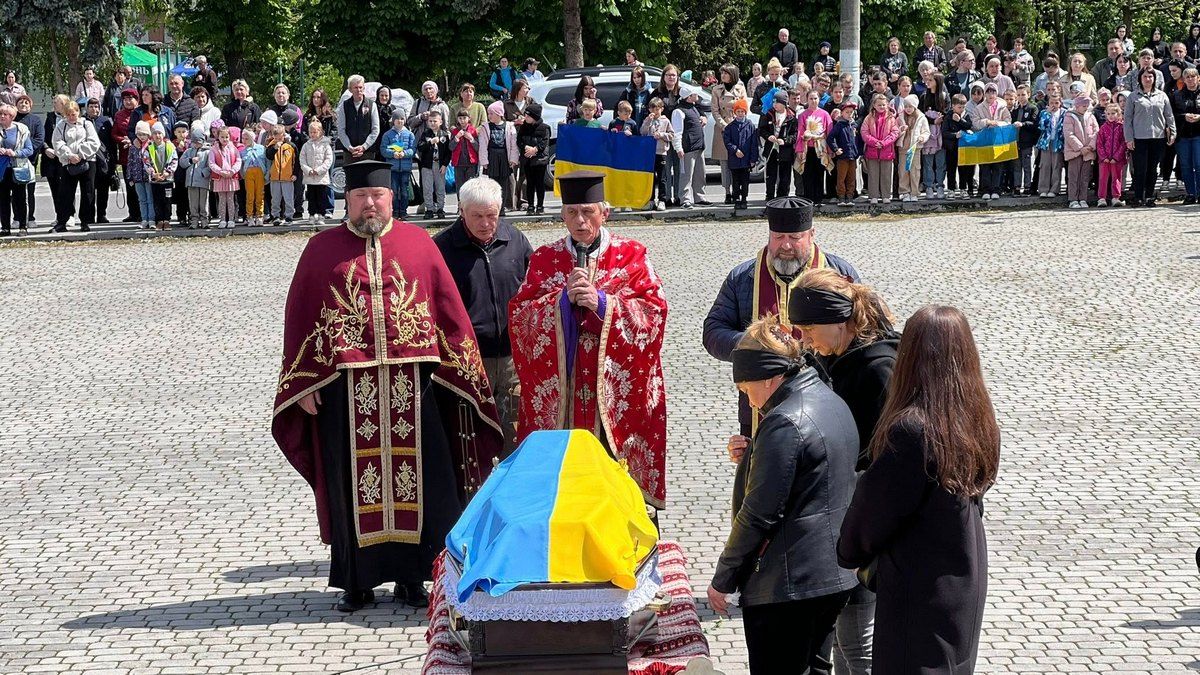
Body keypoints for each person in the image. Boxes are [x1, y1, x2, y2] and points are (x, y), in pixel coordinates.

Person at [273, 159, 503, 613]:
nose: (370, 205)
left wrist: (462, 377)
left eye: (377, 196)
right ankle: (355, 583)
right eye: (360, 198)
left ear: (391, 198)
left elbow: (449, 316)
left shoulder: (418, 244)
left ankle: (414, 579)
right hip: (344, 391)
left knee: (424, 484)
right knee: (349, 485)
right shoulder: (321, 250)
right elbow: (300, 321)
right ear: (348, 201)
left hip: (415, 390)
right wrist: (304, 384)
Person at [838, 305, 1000, 675]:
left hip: (919, 589)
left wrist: (848, 550)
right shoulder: (978, 417)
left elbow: (872, 511)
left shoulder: (912, 431)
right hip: (964, 575)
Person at [509, 170, 669, 512]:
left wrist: (602, 305)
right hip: (564, 398)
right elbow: (521, 317)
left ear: (604, 212)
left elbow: (654, 314)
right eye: (572, 213)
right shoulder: (544, 259)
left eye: (588, 212)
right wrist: (560, 304)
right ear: (562, 215)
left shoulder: (632, 255)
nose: (580, 222)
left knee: (615, 491)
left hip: (611, 399)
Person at [707, 315, 858, 674]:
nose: (750, 401)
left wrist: (723, 579)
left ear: (769, 377)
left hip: (788, 585)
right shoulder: (828, 397)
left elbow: (758, 514)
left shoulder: (784, 422)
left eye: (746, 389)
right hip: (831, 575)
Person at [786, 268, 899, 674]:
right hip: (841, 515)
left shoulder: (877, 369)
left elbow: (872, 457)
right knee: (847, 642)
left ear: (838, 319)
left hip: (863, 520)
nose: (804, 338)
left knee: (860, 645)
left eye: (807, 327)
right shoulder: (834, 358)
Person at [703, 196, 859, 438]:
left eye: (795, 238)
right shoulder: (743, 277)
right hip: (758, 403)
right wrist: (756, 345)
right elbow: (713, 332)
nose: (786, 246)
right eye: (778, 237)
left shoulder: (839, 275)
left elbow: (860, 330)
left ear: (811, 234)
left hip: (826, 396)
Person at [432, 176, 532, 451]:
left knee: (515, 432)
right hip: (469, 360)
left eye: (492, 215)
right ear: (461, 211)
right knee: (474, 438)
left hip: (512, 358)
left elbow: (534, 289)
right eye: (477, 216)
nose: (486, 224)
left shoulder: (515, 240)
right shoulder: (441, 249)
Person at [1124, 67, 1176, 207]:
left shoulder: (1162, 96)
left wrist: (1172, 132)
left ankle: (1149, 196)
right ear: (1140, 79)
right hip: (1139, 138)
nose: (1148, 79)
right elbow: (1127, 118)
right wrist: (1129, 138)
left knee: (1153, 169)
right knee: (1140, 168)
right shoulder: (1133, 96)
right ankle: (1138, 196)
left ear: (1155, 79)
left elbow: (1169, 115)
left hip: (1157, 137)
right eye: (1145, 76)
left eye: (1150, 77)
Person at [50, 100, 101, 233]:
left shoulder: (86, 124)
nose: (72, 117)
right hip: (68, 163)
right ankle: (62, 221)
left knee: (88, 192)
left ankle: (85, 221)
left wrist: (80, 154)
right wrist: (69, 155)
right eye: (69, 115)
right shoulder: (61, 125)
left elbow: (94, 142)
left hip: (87, 161)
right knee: (65, 193)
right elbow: (57, 142)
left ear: (78, 112)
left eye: (74, 114)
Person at [710, 65, 746, 205]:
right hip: (723, 129)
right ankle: (727, 192)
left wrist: (738, 123)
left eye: (726, 73)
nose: (723, 75)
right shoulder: (716, 90)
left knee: (737, 161)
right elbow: (715, 110)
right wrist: (724, 125)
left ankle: (738, 191)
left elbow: (743, 107)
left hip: (737, 127)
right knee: (724, 163)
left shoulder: (740, 88)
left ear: (733, 74)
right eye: (722, 73)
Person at [671, 85, 708, 208]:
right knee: (686, 175)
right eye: (695, 94)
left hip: (698, 146)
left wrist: (703, 119)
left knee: (700, 174)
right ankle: (685, 199)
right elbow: (677, 131)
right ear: (688, 97)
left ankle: (699, 197)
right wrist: (678, 147)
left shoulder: (694, 108)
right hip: (688, 147)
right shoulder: (679, 111)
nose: (697, 96)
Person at [0, 103, 34, 236]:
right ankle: (5, 227)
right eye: (1, 114)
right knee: (3, 200)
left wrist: (15, 153)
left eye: (5, 114)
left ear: (12, 116)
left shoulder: (22, 130)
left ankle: (22, 226)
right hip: (2, 170)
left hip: (17, 168)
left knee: (20, 198)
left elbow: (29, 150)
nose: (2, 116)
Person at [972, 83, 1010, 200]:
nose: (991, 94)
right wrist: (987, 122)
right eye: (988, 92)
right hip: (984, 141)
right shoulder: (978, 108)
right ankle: (985, 189)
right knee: (985, 166)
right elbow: (975, 123)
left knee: (998, 166)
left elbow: (1008, 120)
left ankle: (996, 189)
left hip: (998, 140)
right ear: (985, 93)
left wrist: (998, 123)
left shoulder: (1003, 106)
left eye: (993, 92)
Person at [481, 101, 518, 215]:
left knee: (504, 184)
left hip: (504, 156)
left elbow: (513, 144)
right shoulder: (486, 127)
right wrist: (484, 160)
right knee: (492, 184)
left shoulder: (509, 126)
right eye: (489, 113)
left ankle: (502, 208)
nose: (489, 116)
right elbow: (483, 144)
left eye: (492, 113)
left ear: (499, 114)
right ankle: (493, 208)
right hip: (492, 156)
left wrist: (513, 159)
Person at [861, 94, 899, 204]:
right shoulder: (868, 118)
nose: (881, 107)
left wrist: (883, 143)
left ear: (887, 105)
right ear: (874, 105)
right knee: (873, 174)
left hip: (886, 150)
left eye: (883, 105)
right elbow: (864, 132)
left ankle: (886, 195)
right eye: (879, 105)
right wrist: (874, 142)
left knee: (886, 174)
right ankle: (873, 195)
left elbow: (895, 132)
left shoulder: (891, 118)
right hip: (872, 150)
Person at [796, 90, 833, 203]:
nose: (813, 101)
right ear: (807, 100)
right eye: (811, 98)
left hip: (821, 148)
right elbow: (800, 132)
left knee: (819, 173)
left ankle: (819, 199)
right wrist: (799, 149)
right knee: (807, 174)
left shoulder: (825, 114)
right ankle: (809, 200)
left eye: (815, 98)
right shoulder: (803, 115)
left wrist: (830, 149)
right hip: (808, 148)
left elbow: (829, 132)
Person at [1063, 95, 1099, 208]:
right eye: (1084, 105)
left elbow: (1096, 132)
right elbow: (1069, 134)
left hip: (1088, 151)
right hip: (1075, 152)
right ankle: (1073, 199)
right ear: (1077, 105)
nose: (1086, 108)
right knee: (1074, 176)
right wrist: (1080, 148)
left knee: (1085, 177)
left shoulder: (1091, 116)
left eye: (1087, 106)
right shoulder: (1069, 116)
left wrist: (1090, 147)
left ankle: (1083, 198)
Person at [380, 110, 417, 219]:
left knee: (404, 191)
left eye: (402, 119)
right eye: (397, 119)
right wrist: (393, 154)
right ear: (393, 120)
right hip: (393, 168)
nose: (400, 121)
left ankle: (404, 211)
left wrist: (404, 153)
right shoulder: (387, 135)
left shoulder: (410, 134)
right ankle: (395, 211)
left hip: (405, 168)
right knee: (394, 191)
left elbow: (413, 149)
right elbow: (383, 149)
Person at [84, 98, 114, 224]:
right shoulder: (82, 121)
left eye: (96, 106)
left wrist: (113, 162)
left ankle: (102, 215)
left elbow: (112, 143)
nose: (94, 109)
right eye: (91, 106)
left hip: (104, 161)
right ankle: (89, 215)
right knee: (89, 189)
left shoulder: (106, 121)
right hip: (88, 159)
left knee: (103, 190)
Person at [724, 98, 758, 209]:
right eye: (738, 111)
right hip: (735, 159)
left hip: (746, 159)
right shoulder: (730, 127)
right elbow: (727, 142)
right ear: (735, 112)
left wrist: (753, 159)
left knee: (745, 181)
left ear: (745, 112)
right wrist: (735, 150)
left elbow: (754, 143)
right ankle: (736, 198)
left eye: (742, 111)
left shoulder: (750, 126)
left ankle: (744, 198)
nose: (740, 114)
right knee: (736, 180)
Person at [14, 95, 42, 227]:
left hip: (30, 160)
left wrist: (27, 152)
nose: (23, 104)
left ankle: (31, 217)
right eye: (21, 102)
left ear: (30, 106)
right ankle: (17, 218)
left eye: (26, 102)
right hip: (13, 160)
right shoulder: (11, 119)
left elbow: (39, 139)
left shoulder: (35, 120)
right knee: (15, 191)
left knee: (30, 191)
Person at [142, 121, 177, 230]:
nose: (158, 135)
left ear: (163, 134)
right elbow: (146, 162)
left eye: (160, 133)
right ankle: (159, 220)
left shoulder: (170, 146)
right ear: (152, 135)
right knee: (157, 201)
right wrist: (153, 173)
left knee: (167, 201)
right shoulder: (149, 148)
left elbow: (174, 160)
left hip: (168, 180)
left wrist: (168, 172)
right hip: (155, 180)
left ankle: (167, 220)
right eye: (155, 133)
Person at [1173, 67, 1200, 204]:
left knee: (1199, 164)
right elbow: (1172, 115)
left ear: (1198, 78)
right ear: (1183, 79)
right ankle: (1190, 193)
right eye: (1187, 77)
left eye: (1193, 76)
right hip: (1183, 135)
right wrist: (1184, 116)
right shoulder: (1177, 95)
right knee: (1186, 166)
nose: (1190, 79)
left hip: (1198, 134)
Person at [340, 75, 381, 164]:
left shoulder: (371, 105)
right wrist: (349, 147)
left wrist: (364, 146)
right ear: (350, 89)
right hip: (349, 153)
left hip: (368, 152)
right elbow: (341, 130)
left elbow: (375, 129)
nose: (358, 90)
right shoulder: (344, 106)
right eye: (355, 87)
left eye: (360, 87)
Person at [896, 94, 930, 201]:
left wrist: (922, 137)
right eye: (906, 106)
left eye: (910, 106)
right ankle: (904, 191)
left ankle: (914, 192)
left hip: (915, 148)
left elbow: (926, 131)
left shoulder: (921, 117)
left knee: (915, 170)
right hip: (903, 148)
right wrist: (901, 129)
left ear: (915, 107)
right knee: (903, 170)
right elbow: (895, 130)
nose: (908, 109)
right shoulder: (900, 117)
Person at [417, 109, 450, 220]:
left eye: (435, 121)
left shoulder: (444, 135)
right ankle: (429, 209)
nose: (432, 123)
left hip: (439, 165)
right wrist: (430, 142)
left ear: (440, 122)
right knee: (427, 188)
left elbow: (448, 152)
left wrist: (445, 165)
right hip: (427, 165)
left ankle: (440, 208)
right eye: (430, 121)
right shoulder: (425, 134)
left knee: (440, 188)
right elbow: (420, 147)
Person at [517, 103, 549, 214]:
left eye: (528, 116)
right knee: (530, 183)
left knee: (539, 183)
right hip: (527, 159)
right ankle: (530, 205)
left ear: (534, 117)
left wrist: (534, 150)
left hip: (540, 159)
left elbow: (544, 143)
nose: (525, 118)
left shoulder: (544, 128)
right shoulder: (523, 127)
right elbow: (519, 140)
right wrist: (526, 148)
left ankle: (540, 205)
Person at [178, 127, 211, 229]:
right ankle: (194, 220)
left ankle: (204, 220)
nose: (196, 144)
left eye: (198, 142)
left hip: (203, 182)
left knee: (203, 202)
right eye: (194, 142)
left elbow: (210, 166)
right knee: (193, 203)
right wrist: (191, 160)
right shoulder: (188, 151)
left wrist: (203, 173)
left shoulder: (207, 152)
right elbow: (182, 162)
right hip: (191, 182)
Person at [1096, 101, 1127, 207]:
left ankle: (1116, 197)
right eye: (1108, 114)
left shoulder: (1121, 127)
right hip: (1104, 159)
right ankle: (1102, 198)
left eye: (1113, 113)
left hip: (1117, 159)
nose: (1111, 116)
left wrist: (1116, 157)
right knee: (1103, 178)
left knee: (1116, 177)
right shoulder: (1103, 128)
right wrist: (1103, 157)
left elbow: (1123, 143)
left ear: (1118, 114)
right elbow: (1099, 143)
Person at [264, 125, 297, 224]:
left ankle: (289, 216)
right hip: (274, 177)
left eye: (280, 137)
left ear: (284, 135)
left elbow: (296, 162)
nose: (278, 140)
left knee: (288, 198)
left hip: (287, 177)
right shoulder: (270, 145)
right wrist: (274, 147)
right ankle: (276, 216)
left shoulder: (291, 146)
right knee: (275, 199)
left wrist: (295, 174)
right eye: (276, 138)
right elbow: (269, 157)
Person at [1037, 93, 1067, 198]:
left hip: (1058, 142)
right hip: (1046, 142)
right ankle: (1043, 189)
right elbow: (1041, 126)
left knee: (1056, 165)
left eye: (1056, 103)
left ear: (1060, 103)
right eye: (1051, 103)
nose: (1054, 105)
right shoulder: (1044, 113)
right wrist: (1048, 114)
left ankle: (1054, 189)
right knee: (1045, 165)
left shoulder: (1064, 113)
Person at [1012, 85, 1040, 196]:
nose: (1021, 97)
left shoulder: (1033, 108)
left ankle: (1027, 186)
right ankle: (1017, 186)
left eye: (1023, 94)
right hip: (1016, 141)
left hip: (1027, 142)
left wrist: (1023, 124)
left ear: (1028, 95)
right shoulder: (1015, 110)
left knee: (1027, 165)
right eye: (1018, 95)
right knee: (1017, 166)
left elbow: (1035, 124)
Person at [240, 128, 267, 227]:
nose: (244, 141)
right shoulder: (242, 152)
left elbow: (266, 162)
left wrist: (266, 174)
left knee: (260, 195)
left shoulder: (261, 148)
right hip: (248, 173)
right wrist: (242, 175)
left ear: (252, 138)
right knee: (250, 196)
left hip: (259, 172)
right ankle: (250, 216)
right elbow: (241, 166)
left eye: (246, 138)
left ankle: (259, 215)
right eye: (243, 138)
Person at [449, 109, 481, 184]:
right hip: (458, 163)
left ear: (469, 118)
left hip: (471, 163)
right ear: (457, 119)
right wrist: (456, 138)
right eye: (460, 118)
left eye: (464, 118)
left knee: (471, 186)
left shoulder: (473, 131)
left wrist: (471, 139)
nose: (462, 120)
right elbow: (450, 147)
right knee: (460, 186)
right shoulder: (454, 132)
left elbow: (478, 148)